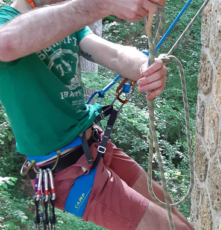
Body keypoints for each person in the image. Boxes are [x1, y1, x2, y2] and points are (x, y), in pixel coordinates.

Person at [0, 0, 194, 229]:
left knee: (167, 206)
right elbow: (7, 44)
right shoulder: (6, 21)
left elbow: (116, 56)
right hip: (65, 170)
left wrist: (145, 67)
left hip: (94, 144)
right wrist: (103, 3)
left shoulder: (68, 23)